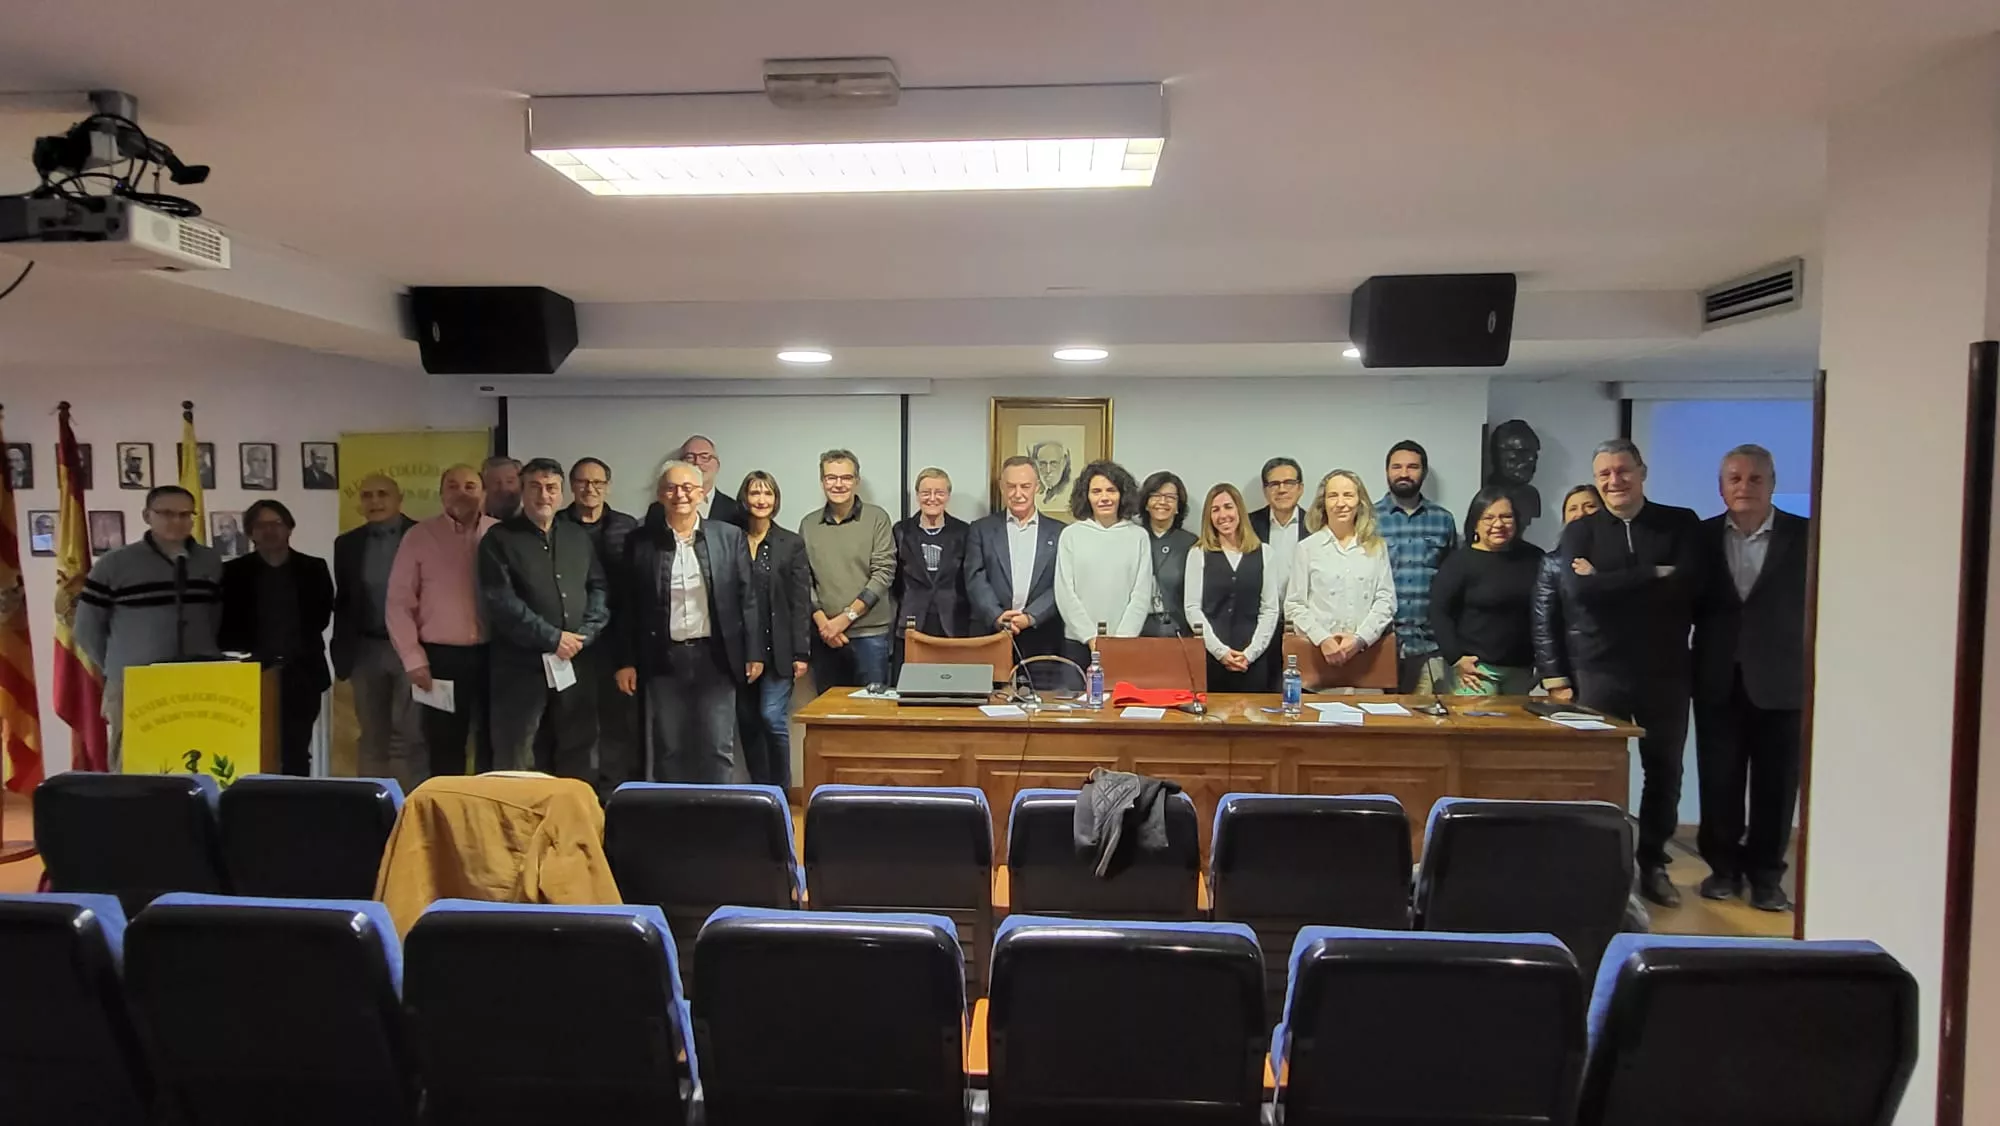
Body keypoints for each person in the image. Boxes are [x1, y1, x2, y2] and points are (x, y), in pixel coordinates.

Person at [1545, 438, 1704, 907]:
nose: (1614, 481)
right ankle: (1597, 864)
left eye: (1623, 471)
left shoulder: (1680, 523)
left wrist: (1606, 581)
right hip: (1601, 670)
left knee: (1664, 772)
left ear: (1642, 471)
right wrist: (1653, 574)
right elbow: (1577, 593)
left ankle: (1652, 863)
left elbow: (1690, 585)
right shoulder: (1582, 531)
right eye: (1604, 475)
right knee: (1596, 772)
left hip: (1666, 670)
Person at [1693, 444, 1808, 912]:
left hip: (1782, 679)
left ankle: (1766, 877)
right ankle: (1722, 870)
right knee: (1718, 780)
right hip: (1717, 676)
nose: (1744, 487)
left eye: (1755, 479)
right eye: (1735, 479)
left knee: (1776, 787)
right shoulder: (1698, 538)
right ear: (1721, 488)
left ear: (1772, 484)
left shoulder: (1806, 536)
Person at [617, 462, 762, 783]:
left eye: (687, 488)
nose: (679, 495)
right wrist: (626, 661)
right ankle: (675, 818)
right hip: (663, 657)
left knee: (717, 746)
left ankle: (720, 815)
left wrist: (753, 652)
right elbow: (628, 606)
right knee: (670, 747)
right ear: (659, 495)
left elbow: (747, 599)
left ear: (701, 493)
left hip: (716, 657)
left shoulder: (728, 537)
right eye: (671, 488)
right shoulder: (640, 542)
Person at [74, 485, 223, 768]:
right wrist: (118, 666)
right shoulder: (114, 564)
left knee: (194, 756)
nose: (176, 521)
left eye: (184, 514)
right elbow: (86, 628)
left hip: (199, 680)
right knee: (132, 761)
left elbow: (213, 616)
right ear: (147, 515)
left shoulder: (210, 561)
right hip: (133, 683)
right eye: (166, 513)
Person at [480, 457, 609, 777]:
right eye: (535, 487)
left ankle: (570, 824)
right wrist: (553, 638)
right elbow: (501, 602)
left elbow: (598, 588)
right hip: (520, 669)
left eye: (551, 488)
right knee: (518, 753)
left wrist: (585, 634)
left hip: (575, 663)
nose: (544, 495)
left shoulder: (577, 537)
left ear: (561, 494)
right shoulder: (499, 539)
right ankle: (516, 825)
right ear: (522, 492)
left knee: (578, 748)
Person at [387, 465, 498, 779]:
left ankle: (486, 814)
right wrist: (413, 660)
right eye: (453, 485)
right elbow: (398, 603)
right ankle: (448, 816)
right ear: (441, 494)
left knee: (494, 741)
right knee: (444, 745)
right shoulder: (419, 536)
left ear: (483, 493)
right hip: (440, 659)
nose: (461, 492)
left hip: (496, 655)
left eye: (470, 486)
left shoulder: (499, 533)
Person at [219, 500, 334, 776]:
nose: (269, 531)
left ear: (290, 528)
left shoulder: (313, 568)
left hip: (302, 672)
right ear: (249, 532)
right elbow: (226, 626)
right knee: (254, 748)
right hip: (253, 673)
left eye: (276, 524)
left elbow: (321, 617)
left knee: (296, 751)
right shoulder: (233, 572)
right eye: (260, 525)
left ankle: (296, 810)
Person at [331, 474, 422, 785]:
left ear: (399, 499)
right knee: (371, 735)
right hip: (365, 649)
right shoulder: (347, 544)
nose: (375, 501)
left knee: (409, 735)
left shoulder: (422, 535)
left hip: (411, 650)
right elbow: (344, 600)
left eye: (383, 494)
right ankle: (372, 808)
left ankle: (408, 811)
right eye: (367, 495)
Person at [560, 456, 642, 792]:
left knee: (617, 725)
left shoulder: (628, 528)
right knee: (571, 723)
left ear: (607, 486)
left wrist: (629, 657)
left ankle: (614, 796)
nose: (589, 489)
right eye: (582, 482)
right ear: (571, 486)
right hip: (567, 641)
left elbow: (636, 593)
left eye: (597, 483)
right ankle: (573, 796)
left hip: (616, 642)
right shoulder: (558, 525)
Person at [1428, 488, 1545, 696]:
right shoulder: (1460, 562)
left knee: (1516, 728)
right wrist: (1456, 658)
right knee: (1476, 726)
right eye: (1488, 518)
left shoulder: (1534, 558)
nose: (1498, 524)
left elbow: (1545, 611)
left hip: (1521, 669)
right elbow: (1439, 612)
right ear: (1476, 523)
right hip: (1475, 671)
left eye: (1506, 517)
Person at [736, 470, 812, 788]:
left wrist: (801, 651)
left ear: (776, 500)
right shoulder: (731, 538)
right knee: (749, 723)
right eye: (755, 493)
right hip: (739, 648)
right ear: (745, 498)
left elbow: (800, 599)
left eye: (768, 494)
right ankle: (759, 791)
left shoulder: (790, 543)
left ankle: (780, 790)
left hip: (778, 649)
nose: (761, 500)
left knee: (771, 718)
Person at [965, 455, 1068, 689]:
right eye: (1011, 486)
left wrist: (1031, 616)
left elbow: (1062, 584)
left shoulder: (1061, 532)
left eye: (1025, 486)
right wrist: (996, 615)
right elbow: (975, 577)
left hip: (1042, 635)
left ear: (1037, 487)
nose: (1018, 493)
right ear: (1002, 488)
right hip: (992, 634)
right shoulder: (981, 529)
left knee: (1042, 711)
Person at [800, 449, 896, 689]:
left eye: (846, 477)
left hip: (870, 636)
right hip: (824, 637)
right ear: (822, 481)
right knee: (828, 716)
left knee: (873, 713)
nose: (838, 484)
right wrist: (824, 624)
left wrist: (845, 619)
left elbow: (883, 573)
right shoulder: (809, 524)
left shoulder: (877, 518)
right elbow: (803, 579)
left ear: (857, 481)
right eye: (831, 477)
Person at [1285, 469, 1396, 670]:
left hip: (1368, 662)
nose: (1341, 503)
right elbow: (1294, 605)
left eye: (1348, 495)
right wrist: (1323, 639)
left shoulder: (1376, 547)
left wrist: (1360, 639)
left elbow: (1386, 601)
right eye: (1333, 496)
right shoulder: (1307, 548)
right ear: (1323, 503)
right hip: (1318, 662)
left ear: (1359, 502)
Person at [1375, 440, 1458, 693]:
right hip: (1379, 644)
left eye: (1412, 467)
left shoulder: (1443, 520)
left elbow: (1452, 583)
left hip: (1429, 645)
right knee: (1379, 725)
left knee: (1425, 722)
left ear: (1423, 471)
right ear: (1387, 471)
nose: (1403, 473)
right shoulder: (1368, 518)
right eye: (1396, 467)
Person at [1054, 460, 1154, 666]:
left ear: (1122, 495)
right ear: (1087, 496)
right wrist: (1090, 637)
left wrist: (1122, 640)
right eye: (1096, 491)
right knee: (1077, 698)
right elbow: (1065, 592)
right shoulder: (1071, 535)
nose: (1104, 498)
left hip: (1125, 642)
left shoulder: (1138, 536)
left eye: (1111, 490)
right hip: (1078, 642)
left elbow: (1141, 593)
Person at [1183, 483, 1282, 692]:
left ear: (1239, 510)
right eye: (1215, 509)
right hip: (1210, 658)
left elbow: (1270, 609)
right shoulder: (1198, 553)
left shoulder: (1265, 553)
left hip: (1253, 660)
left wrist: (1251, 653)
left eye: (1228, 507)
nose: (1223, 515)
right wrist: (1220, 652)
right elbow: (1192, 608)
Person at [1530, 484, 1603, 695]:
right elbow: (1543, 627)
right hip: (1575, 672)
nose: (1581, 513)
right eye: (1572, 509)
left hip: (1619, 669)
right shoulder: (1552, 563)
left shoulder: (1618, 559)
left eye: (1590, 506)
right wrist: (1555, 679)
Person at [892, 468, 972, 653]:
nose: (932, 498)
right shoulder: (901, 531)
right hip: (912, 620)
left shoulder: (963, 532)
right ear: (918, 495)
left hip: (953, 622)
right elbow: (895, 581)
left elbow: (969, 579)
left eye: (940, 493)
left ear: (948, 496)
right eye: (926, 493)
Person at [1139, 471, 1197, 638]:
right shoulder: (1131, 538)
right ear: (1146, 503)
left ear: (1179, 506)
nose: (1162, 502)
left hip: (1178, 632)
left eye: (1170, 497)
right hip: (1134, 632)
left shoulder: (1191, 543)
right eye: (1155, 495)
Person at [1248, 456, 1308, 606]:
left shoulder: (1316, 525)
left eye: (1289, 483)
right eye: (1274, 484)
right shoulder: (1248, 525)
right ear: (1265, 490)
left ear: (1300, 488)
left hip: (1304, 617)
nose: (1282, 489)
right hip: (1259, 617)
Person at [1485, 419, 1544, 531]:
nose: (1531, 459)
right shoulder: (1485, 496)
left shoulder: (1531, 495)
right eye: (1522, 452)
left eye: (1534, 452)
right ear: (1498, 454)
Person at [674, 435, 746, 527]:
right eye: (690, 457)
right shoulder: (662, 508)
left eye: (704, 457)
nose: (697, 462)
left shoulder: (735, 510)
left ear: (717, 466)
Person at [1032, 440, 1073, 510]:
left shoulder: (1070, 493)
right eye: (1043, 464)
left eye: (1053, 463)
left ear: (1063, 463)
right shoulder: (1035, 495)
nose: (1048, 470)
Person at [481, 455, 522, 520]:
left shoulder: (533, 519)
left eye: (510, 481)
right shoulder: (475, 521)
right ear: (484, 485)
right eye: (496, 482)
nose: (504, 488)